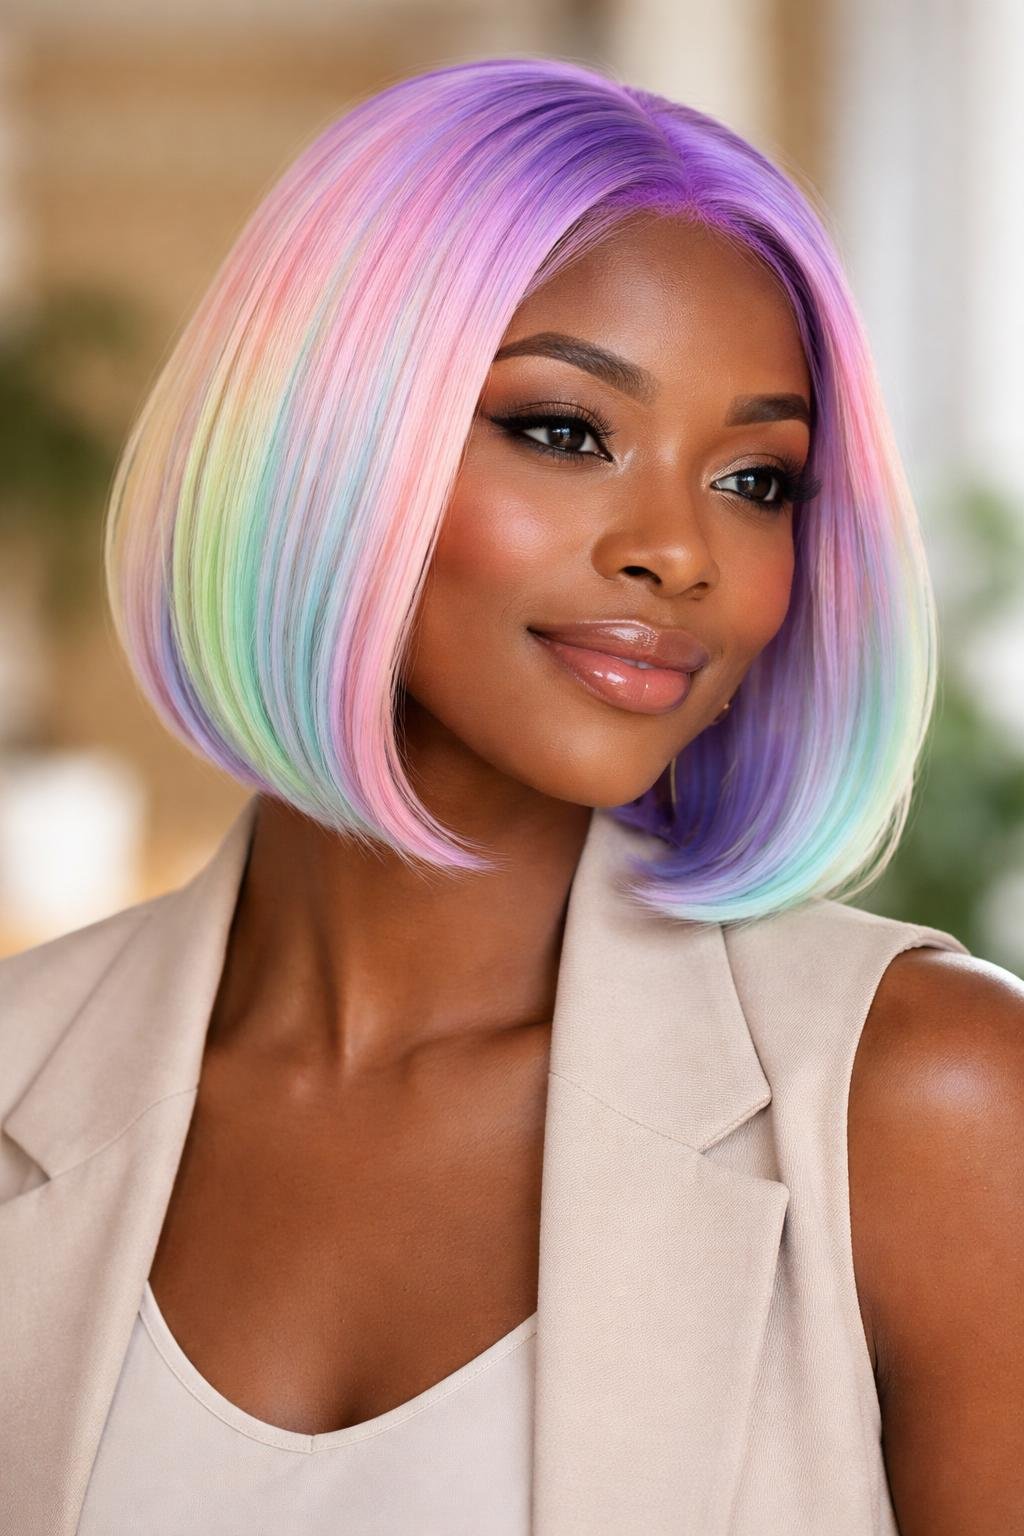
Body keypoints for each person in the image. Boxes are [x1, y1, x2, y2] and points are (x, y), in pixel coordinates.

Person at [1, 56, 1022, 1536]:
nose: (679, 549)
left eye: (759, 480)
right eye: (564, 431)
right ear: (323, 445)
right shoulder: (22, 1086)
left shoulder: (929, 1108)